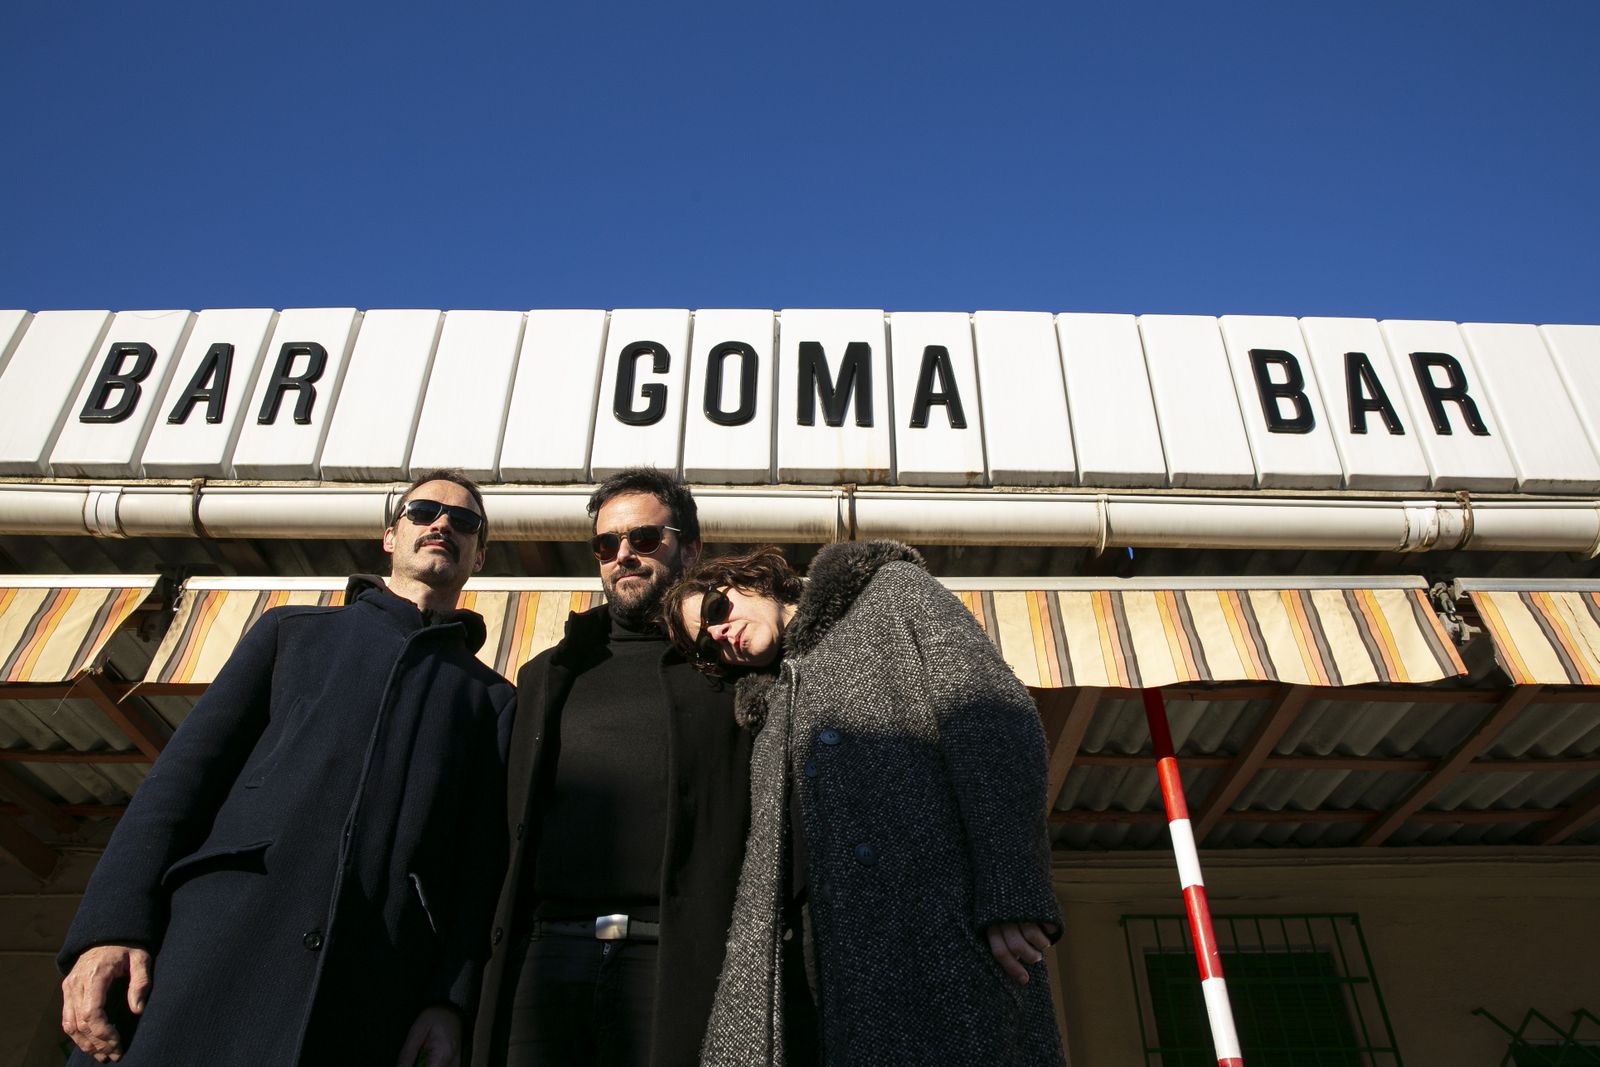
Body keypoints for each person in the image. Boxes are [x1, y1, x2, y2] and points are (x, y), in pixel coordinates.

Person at [57, 470, 514, 1067]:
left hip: (370, 990)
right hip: (210, 955)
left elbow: (478, 868)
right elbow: (179, 786)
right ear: (389, 535)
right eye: (423, 511)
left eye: (465, 521)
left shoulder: (494, 700)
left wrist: (448, 1002)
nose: (442, 525)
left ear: (478, 556)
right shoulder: (290, 634)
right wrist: (108, 929)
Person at [661, 541, 1068, 1066]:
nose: (718, 634)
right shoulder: (769, 706)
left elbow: (994, 722)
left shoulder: (889, 594)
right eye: (705, 644)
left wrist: (1011, 888)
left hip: (933, 933)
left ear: (755, 578)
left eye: (717, 609)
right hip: (812, 965)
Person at [473, 467, 753, 1067]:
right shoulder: (545, 674)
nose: (624, 554)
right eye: (607, 544)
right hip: (545, 959)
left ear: (691, 548)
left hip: (678, 960)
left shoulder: (733, 670)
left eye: (645, 539)